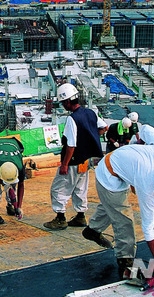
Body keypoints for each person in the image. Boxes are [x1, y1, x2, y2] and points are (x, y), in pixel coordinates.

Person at [82, 125, 154, 283]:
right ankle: (125, 261)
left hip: (120, 162)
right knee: (124, 219)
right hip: (108, 173)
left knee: (111, 205)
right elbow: (148, 226)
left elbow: (145, 129)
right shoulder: (148, 186)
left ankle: (92, 230)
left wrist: (134, 145)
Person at [44, 83, 108, 230]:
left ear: (67, 102)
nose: (62, 106)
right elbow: (104, 127)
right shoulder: (90, 113)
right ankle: (80, 216)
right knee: (80, 188)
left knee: (58, 189)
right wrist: (89, 139)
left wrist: (65, 164)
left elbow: (71, 145)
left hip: (73, 161)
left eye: (62, 103)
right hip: (85, 161)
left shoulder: (72, 119)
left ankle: (60, 218)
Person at [0, 137, 25, 224]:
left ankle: (10, 205)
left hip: (13, 147)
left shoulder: (20, 167)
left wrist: (19, 207)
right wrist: (3, 183)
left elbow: (21, 185)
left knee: (13, 185)